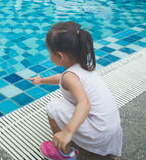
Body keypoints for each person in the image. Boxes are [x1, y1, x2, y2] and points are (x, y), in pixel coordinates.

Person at [28, 21, 122, 160]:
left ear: (60, 56)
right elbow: (61, 78)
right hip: (111, 130)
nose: (49, 56)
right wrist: (42, 80)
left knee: (53, 107)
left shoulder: (70, 77)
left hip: (98, 134)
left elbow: (84, 104)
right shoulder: (83, 67)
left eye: (49, 53)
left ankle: (64, 153)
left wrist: (67, 132)